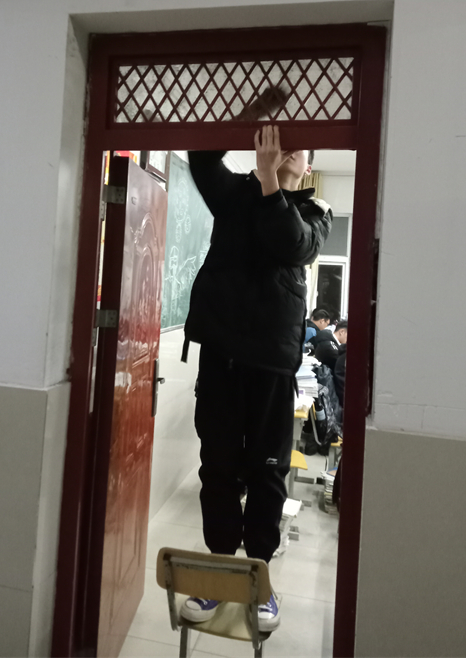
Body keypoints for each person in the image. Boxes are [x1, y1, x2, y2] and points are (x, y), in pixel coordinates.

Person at [179, 104, 332, 631]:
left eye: (300, 147)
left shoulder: (315, 212)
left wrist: (269, 181)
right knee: (218, 467)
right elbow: (202, 159)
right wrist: (247, 115)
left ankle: (259, 580)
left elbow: (293, 244)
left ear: (308, 166)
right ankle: (220, 573)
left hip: (272, 365)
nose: (291, 149)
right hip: (221, 356)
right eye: (282, 139)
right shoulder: (235, 194)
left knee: (269, 472)